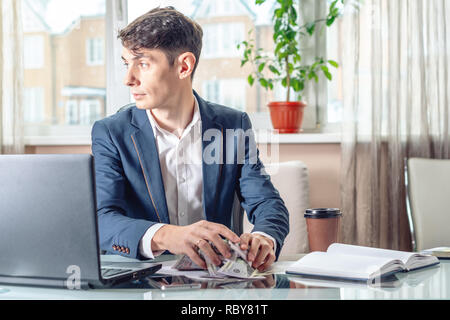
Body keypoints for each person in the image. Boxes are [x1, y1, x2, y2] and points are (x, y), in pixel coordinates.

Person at [91, 7, 289, 272]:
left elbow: (266, 202)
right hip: (142, 282)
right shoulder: (111, 133)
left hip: (217, 283)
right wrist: (166, 235)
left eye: (143, 64)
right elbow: (102, 219)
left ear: (184, 66)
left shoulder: (232, 125)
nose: (129, 79)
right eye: (127, 64)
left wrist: (264, 237)